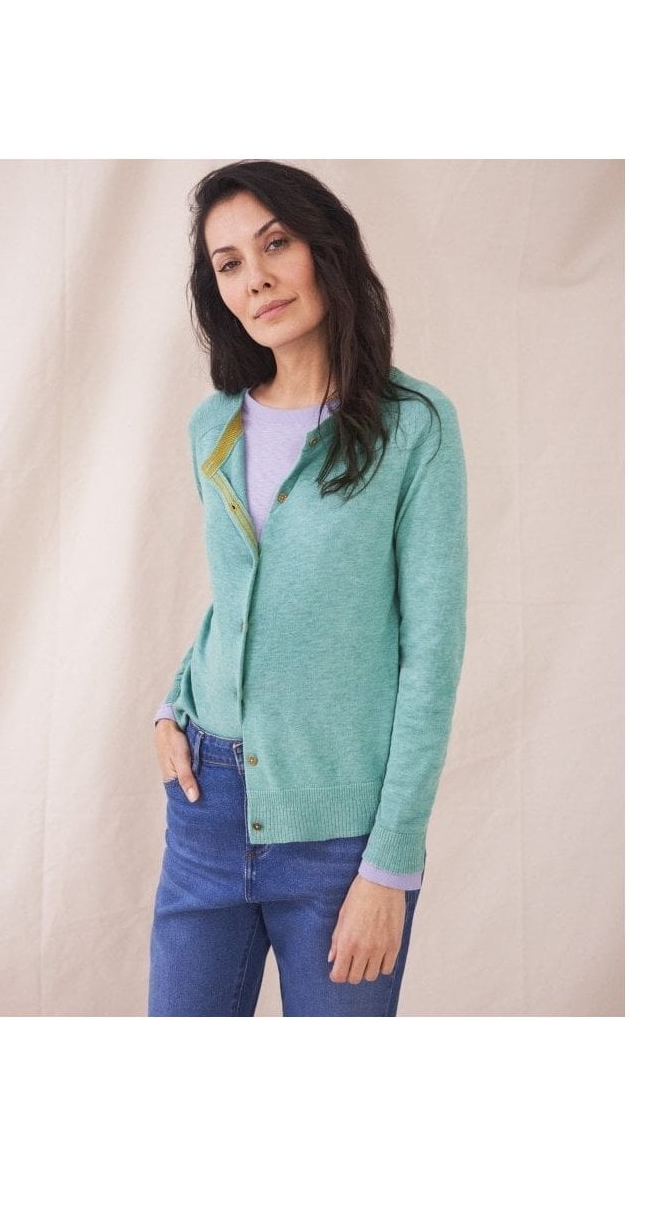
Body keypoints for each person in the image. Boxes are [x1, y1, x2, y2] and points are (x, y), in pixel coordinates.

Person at [148, 160, 467, 1016]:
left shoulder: (413, 427)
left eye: (275, 244)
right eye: (229, 264)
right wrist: (172, 703)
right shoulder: (214, 425)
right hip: (207, 805)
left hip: (340, 836)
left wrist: (390, 864)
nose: (255, 278)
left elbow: (432, 653)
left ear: (325, 248)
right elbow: (239, 602)